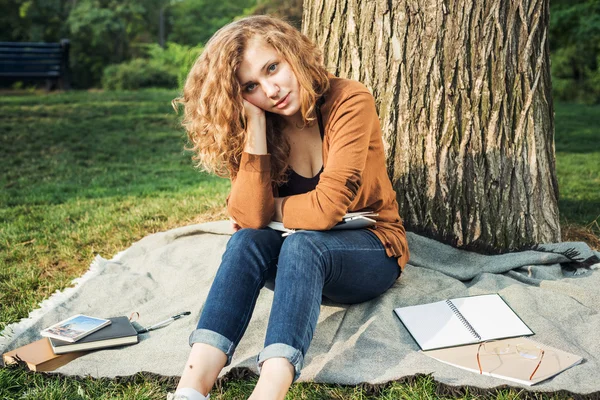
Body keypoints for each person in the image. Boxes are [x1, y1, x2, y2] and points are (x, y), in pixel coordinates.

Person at [170, 15, 409, 400]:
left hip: (371, 250)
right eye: (251, 86)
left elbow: (328, 209)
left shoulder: (349, 100)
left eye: (272, 68)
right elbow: (249, 219)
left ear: (291, 53)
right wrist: (255, 126)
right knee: (248, 241)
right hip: (296, 268)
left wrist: (273, 208)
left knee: (303, 243)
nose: (271, 89)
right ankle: (191, 388)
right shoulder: (254, 122)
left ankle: (269, 391)